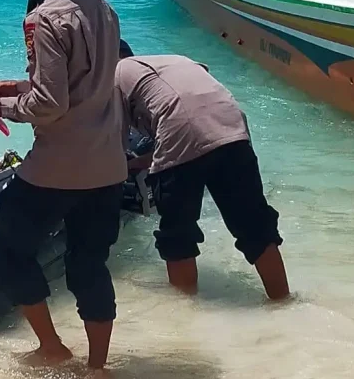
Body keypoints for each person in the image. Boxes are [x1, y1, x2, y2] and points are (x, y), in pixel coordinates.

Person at [0, 0, 129, 372]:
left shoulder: (45, 18)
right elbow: (87, 83)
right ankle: (98, 366)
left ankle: (52, 348)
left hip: (57, 167)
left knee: (9, 252)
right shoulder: (103, 7)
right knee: (90, 266)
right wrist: (11, 86)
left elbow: (49, 106)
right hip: (107, 165)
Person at [116, 41, 290, 300]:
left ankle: (186, 318)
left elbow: (113, 147)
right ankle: (283, 301)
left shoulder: (113, 75)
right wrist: (136, 163)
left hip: (180, 129)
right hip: (231, 125)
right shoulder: (175, 58)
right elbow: (194, 123)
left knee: (177, 234)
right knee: (255, 226)